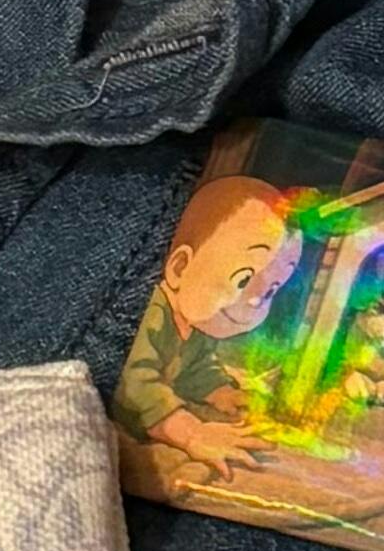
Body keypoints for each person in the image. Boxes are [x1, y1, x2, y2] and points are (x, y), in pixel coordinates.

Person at [116, 169, 311, 466]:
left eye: (271, 290)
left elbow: (197, 367)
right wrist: (191, 433)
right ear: (179, 268)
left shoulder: (197, 328)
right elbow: (134, 384)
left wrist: (222, 393)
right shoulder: (153, 314)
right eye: (244, 280)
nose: (256, 300)